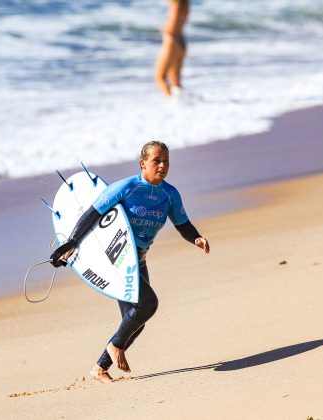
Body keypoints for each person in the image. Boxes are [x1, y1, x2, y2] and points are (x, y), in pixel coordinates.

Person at [50, 140, 210, 383]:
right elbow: (93, 213)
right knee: (149, 304)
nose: (163, 165)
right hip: (118, 257)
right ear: (143, 163)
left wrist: (196, 238)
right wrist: (73, 242)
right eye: (157, 160)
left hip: (139, 260)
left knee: (136, 321)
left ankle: (100, 368)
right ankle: (115, 346)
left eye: (166, 160)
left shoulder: (170, 194)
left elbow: (183, 225)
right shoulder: (126, 187)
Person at [154, 0, 190, 97]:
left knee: (160, 77)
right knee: (176, 82)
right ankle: (184, 104)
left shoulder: (177, 5)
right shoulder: (185, 4)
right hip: (181, 40)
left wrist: (163, 29)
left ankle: (172, 102)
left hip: (171, 41)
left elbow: (173, 24)